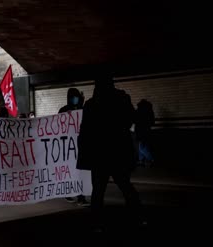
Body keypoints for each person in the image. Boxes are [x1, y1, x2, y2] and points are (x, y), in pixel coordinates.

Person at [77, 76, 145, 232]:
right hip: (118, 151)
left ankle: (97, 222)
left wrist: (85, 154)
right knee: (125, 185)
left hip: (99, 154)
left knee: (98, 190)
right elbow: (130, 119)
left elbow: (86, 131)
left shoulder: (91, 104)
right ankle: (138, 217)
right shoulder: (122, 99)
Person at [58, 88, 89, 206]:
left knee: (82, 173)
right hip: (69, 149)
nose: (74, 99)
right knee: (71, 172)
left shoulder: (83, 109)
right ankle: (69, 193)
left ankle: (81, 197)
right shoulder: (64, 110)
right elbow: (57, 127)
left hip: (81, 147)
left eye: (76, 97)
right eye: (72, 97)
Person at [135, 99, 155, 166]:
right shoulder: (150, 111)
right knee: (144, 145)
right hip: (147, 130)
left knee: (141, 146)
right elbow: (152, 122)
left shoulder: (139, 110)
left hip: (140, 131)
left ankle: (151, 159)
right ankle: (141, 160)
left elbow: (135, 120)